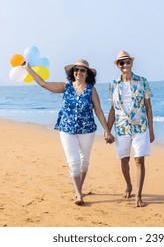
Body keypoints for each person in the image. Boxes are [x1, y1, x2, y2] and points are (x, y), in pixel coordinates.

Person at [22, 59, 112, 205]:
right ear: (73, 72)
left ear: (87, 73)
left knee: (84, 162)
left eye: (83, 70)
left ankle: (79, 188)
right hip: (66, 128)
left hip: (87, 129)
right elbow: (43, 84)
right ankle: (78, 194)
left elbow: (99, 111)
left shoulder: (91, 89)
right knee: (73, 161)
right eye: (76, 70)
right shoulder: (66, 87)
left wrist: (107, 130)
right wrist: (28, 69)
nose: (79, 72)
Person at [107, 50, 155, 207]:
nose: (125, 65)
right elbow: (112, 110)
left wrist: (152, 130)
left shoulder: (142, 81)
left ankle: (139, 195)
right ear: (118, 66)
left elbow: (148, 107)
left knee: (139, 160)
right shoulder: (114, 84)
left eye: (127, 62)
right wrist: (108, 130)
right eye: (121, 63)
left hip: (140, 126)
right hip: (121, 128)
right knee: (124, 159)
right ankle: (128, 185)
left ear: (132, 63)